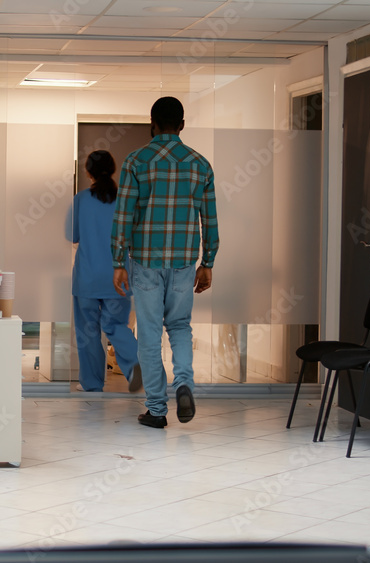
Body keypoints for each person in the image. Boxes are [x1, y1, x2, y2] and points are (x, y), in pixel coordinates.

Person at [111, 96, 219, 428]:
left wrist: (118, 260)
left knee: (149, 333)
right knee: (180, 326)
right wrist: (208, 261)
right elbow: (210, 219)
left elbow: (123, 216)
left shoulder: (136, 161)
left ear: (152, 123)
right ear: (182, 126)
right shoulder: (200, 164)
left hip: (145, 261)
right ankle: (184, 381)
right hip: (185, 261)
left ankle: (157, 410)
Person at [71, 150, 141, 393]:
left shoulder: (80, 200)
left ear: (88, 172)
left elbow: (72, 235)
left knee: (88, 331)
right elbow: (135, 237)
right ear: (113, 170)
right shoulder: (125, 200)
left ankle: (92, 384)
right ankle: (135, 365)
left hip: (87, 277)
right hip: (118, 276)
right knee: (117, 326)